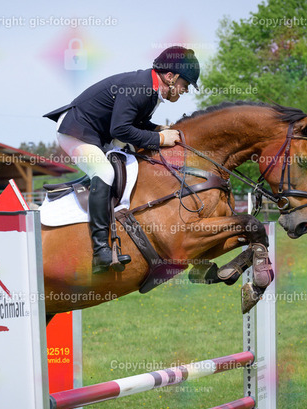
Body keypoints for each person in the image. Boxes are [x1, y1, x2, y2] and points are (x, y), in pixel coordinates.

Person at [43, 46, 200, 274]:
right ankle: (100, 251)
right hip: (76, 131)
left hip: (99, 134)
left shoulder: (150, 89)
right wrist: (159, 138)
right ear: (170, 76)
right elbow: (120, 129)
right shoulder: (140, 88)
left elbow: (134, 123)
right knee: (104, 172)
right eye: (185, 85)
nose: (185, 91)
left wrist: (158, 129)